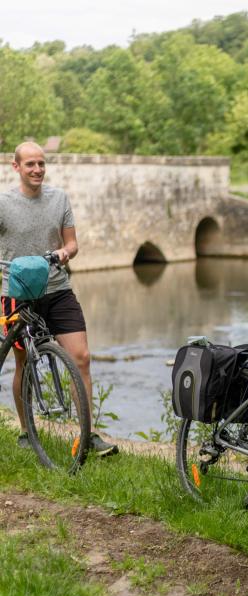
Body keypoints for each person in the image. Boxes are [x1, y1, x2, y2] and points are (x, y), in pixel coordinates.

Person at [0, 142, 118, 456]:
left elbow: (72, 243)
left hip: (57, 289)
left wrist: (64, 253)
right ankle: (26, 432)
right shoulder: (3, 203)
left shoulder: (59, 198)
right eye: (30, 165)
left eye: (41, 163)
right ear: (16, 167)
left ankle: (88, 436)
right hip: (18, 295)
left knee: (81, 358)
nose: (37, 169)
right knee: (24, 363)